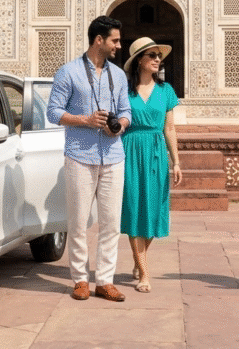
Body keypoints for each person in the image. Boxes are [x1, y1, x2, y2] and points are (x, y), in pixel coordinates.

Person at [47, 15, 132, 302]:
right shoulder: (68, 72)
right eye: (115, 40)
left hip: (113, 155)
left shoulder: (118, 75)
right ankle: (80, 279)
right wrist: (85, 119)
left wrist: (118, 125)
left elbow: (126, 112)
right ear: (99, 40)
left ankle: (105, 281)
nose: (119, 46)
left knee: (111, 223)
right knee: (80, 221)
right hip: (80, 156)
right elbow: (53, 112)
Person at [120, 37, 182, 293]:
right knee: (134, 208)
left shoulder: (166, 90)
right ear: (139, 61)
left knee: (154, 210)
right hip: (130, 150)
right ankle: (144, 272)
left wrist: (176, 161)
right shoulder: (125, 91)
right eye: (152, 55)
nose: (158, 60)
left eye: (159, 56)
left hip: (156, 151)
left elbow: (169, 128)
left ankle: (138, 259)